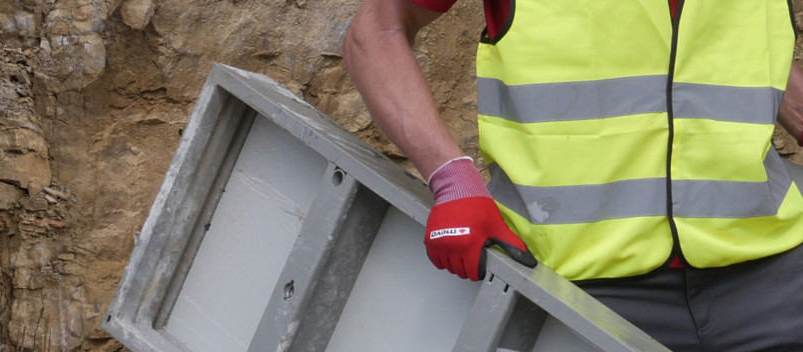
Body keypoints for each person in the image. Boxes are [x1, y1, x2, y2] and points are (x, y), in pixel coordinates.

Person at [343, 0, 803, 349]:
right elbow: (376, 30)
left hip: (772, 271)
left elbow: (737, 40)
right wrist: (453, 180)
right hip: (577, 291)